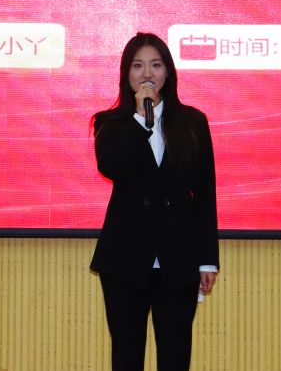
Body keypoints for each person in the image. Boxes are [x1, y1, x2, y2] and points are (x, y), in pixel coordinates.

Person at [90, 32, 219, 371]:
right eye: (138, 66)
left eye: (156, 65)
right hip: (125, 259)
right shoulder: (110, 123)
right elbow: (111, 166)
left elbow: (205, 193)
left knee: (176, 356)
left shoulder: (193, 123)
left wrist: (207, 260)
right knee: (126, 357)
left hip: (179, 257)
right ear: (126, 73)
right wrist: (139, 120)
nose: (147, 73)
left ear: (168, 72)